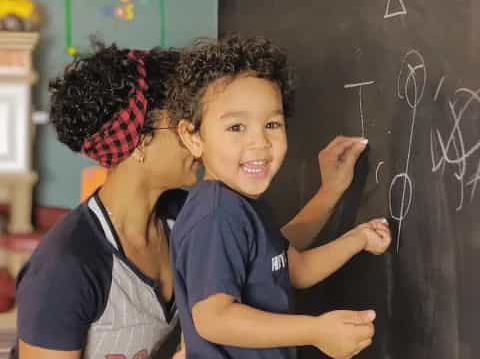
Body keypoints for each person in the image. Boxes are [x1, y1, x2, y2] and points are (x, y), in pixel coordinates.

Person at [167, 34, 392, 359]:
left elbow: (293, 267)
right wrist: (315, 331)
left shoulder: (241, 202)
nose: (259, 142)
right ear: (192, 137)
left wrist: (357, 237)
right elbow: (214, 318)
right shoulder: (216, 215)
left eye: (272, 124)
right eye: (236, 128)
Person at [13, 42, 195, 359]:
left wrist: (316, 197)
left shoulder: (180, 215)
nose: (197, 133)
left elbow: (253, 251)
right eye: (181, 121)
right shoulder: (67, 266)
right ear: (139, 141)